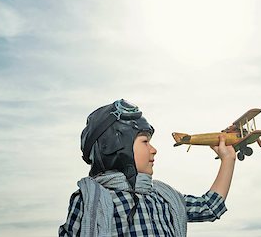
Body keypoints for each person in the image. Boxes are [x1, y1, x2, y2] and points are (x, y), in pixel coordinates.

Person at [59, 99, 236, 237]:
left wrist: (228, 159)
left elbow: (209, 207)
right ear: (117, 146)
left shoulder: (162, 197)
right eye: (145, 142)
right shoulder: (90, 200)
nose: (154, 150)